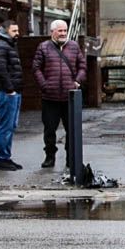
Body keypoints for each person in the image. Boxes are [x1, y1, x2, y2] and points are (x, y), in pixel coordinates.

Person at [33, 19, 87, 168]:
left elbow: (82, 66)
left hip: (70, 97)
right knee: (49, 130)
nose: (63, 33)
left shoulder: (74, 47)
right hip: (50, 97)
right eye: (60, 31)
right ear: (52, 32)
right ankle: (50, 157)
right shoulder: (43, 47)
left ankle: (71, 159)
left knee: (72, 130)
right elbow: (36, 68)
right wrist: (44, 85)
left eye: (65, 30)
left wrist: (77, 81)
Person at [0, 20, 23, 171]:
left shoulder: (7, 46)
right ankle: (1, 159)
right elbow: (1, 70)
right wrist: (10, 90)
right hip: (6, 93)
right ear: (5, 31)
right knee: (6, 126)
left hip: (11, 92)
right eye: (14, 31)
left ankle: (5, 157)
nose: (17, 34)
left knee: (10, 126)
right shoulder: (1, 47)